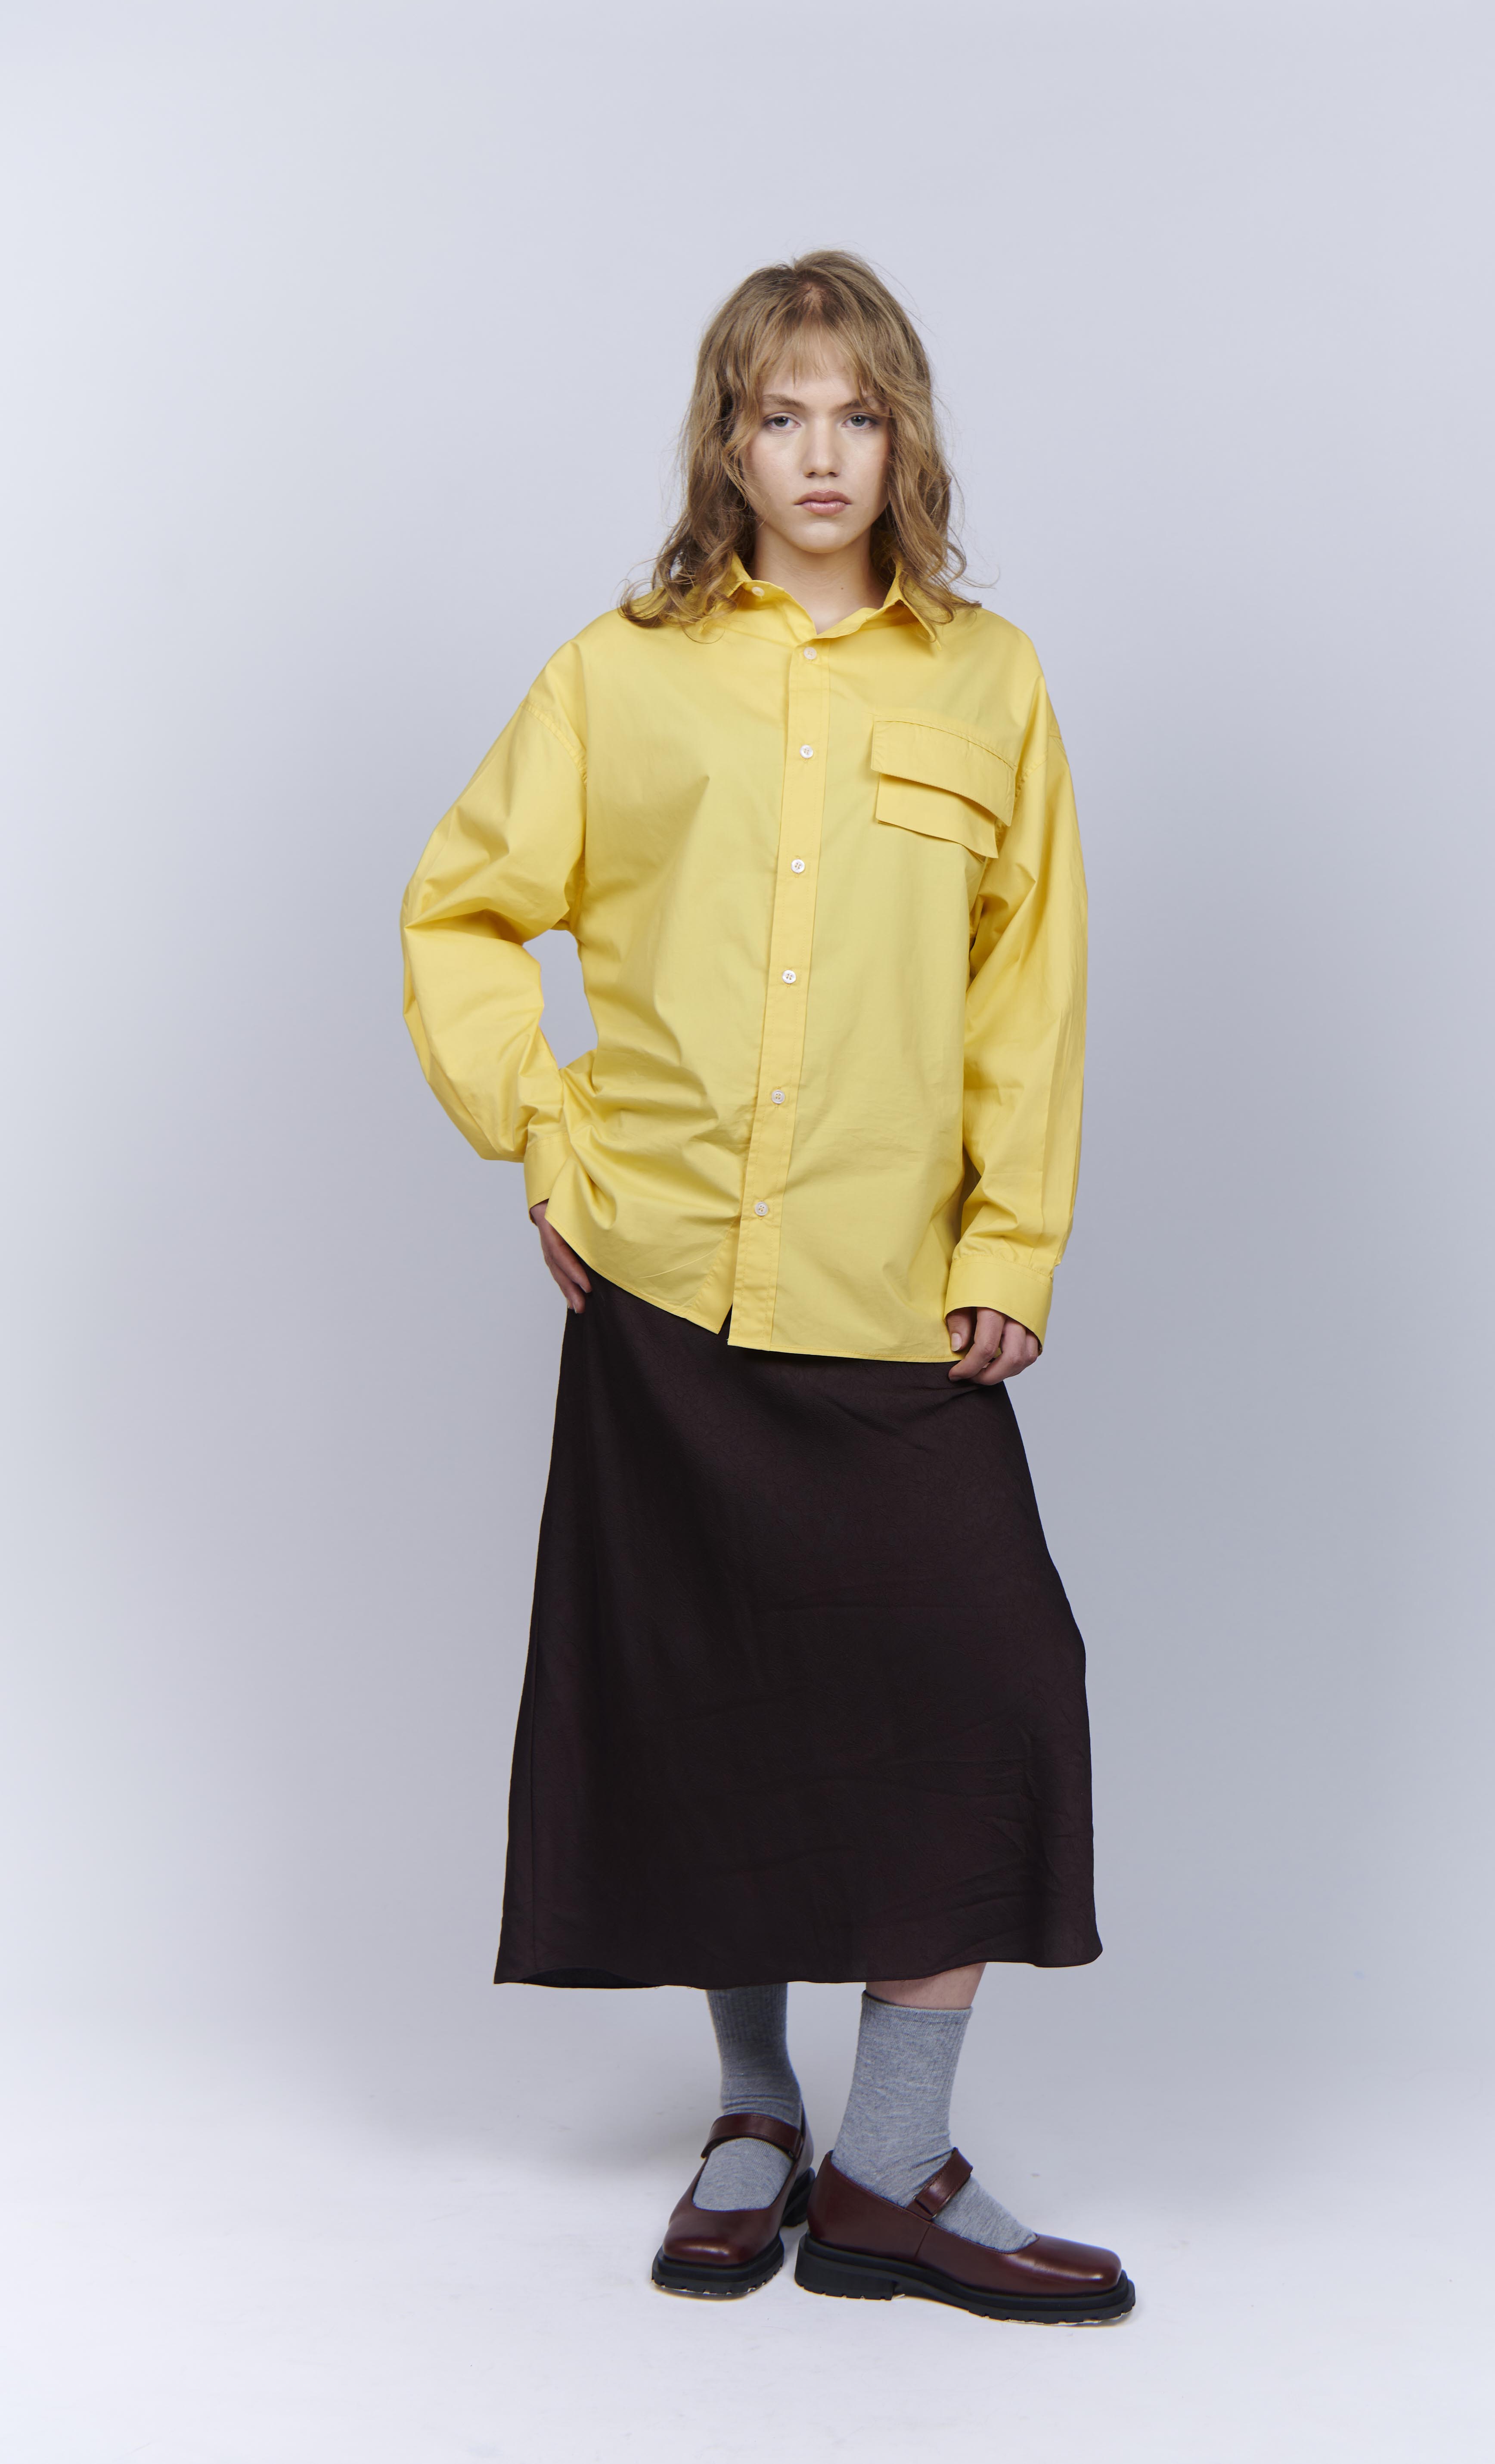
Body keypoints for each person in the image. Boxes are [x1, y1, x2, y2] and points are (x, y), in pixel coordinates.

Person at [400, 250, 1133, 2326]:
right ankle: (753, 2117)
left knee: (992, 1688)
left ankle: (888, 2170)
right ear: (726, 445)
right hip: (666, 1288)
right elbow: (460, 911)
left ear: (906, 441)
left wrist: (1011, 1240)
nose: (821, 453)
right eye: (779, 414)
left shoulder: (988, 683)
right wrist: (546, 1136)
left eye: (858, 414)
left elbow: (1030, 991)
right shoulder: (619, 676)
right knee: (714, 1705)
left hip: (889, 1287)